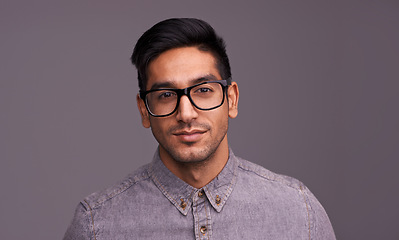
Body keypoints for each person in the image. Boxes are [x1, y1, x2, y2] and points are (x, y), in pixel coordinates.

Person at [63, 18, 336, 239]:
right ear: (144, 110)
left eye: (203, 90)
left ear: (231, 99)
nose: (186, 113)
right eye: (166, 95)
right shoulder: (96, 225)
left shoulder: (299, 212)